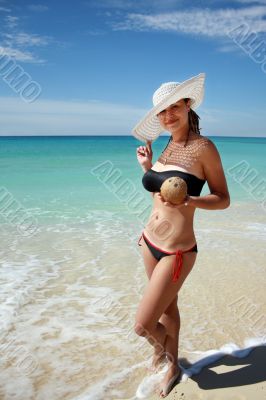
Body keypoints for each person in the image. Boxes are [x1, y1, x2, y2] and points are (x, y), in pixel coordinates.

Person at [133, 73, 230, 397]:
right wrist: (148, 169)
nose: (168, 116)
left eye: (174, 107)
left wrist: (192, 200)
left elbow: (223, 198)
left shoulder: (204, 148)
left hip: (177, 252)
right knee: (167, 311)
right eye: (161, 112)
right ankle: (170, 361)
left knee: (143, 325)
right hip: (149, 242)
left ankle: (165, 354)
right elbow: (160, 195)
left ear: (188, 105)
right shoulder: (165, 146)